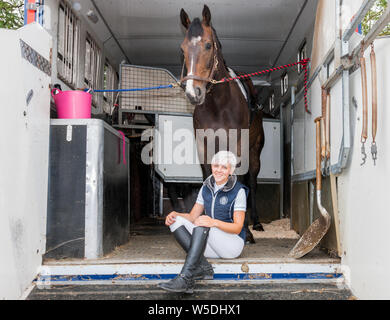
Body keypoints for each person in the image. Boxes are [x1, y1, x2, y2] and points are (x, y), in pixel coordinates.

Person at [158, 151, 249, 293]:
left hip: (232, 245)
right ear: (211, 166)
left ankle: (185, 278)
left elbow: (237, 228)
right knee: (176, 221)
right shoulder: (206, 187)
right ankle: (202, 266)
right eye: (216, 166)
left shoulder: (238, 191)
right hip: (211, 246)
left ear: (231, 170)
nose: (219, 170)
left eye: (224, 167)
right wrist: (176, 214)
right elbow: (193, 217)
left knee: (203, 223)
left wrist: (213, 222)